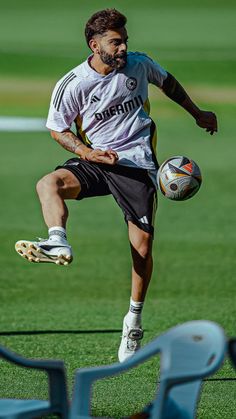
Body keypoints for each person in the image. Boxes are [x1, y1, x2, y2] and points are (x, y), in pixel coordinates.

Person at [15, 9, 217, 362]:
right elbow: (57, 129)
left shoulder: (139, 65)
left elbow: (167, 82)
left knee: (141, 248)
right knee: (49, 183)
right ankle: (57, 241)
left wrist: (197, 112)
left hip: (136, 165)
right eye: (116, 42)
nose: (124, 47)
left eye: (125, 41)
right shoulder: (74, 83)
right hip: (96, 158)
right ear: (95, 45)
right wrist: (85, 152)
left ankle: (133, 319)